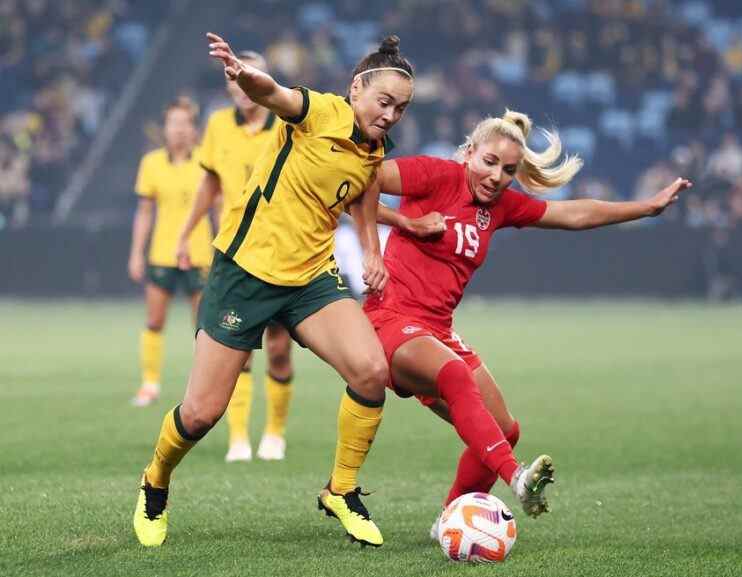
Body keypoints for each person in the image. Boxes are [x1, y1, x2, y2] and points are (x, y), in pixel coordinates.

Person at [133, 32, 415, 548]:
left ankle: (342, 490)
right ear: (357, 89)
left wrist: (373, 250)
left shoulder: (373, 148)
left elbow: (363, 194)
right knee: (201, 412)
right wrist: (243, 75)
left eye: (400, 107)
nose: (392, 114)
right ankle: (155, 482)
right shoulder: (322, 111)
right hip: (245, 271)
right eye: (384, 101)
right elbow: (275, 94)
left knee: (373, 372)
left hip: (310, 278)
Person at [365, 109, 692, 532]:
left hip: (437, 331)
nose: (497, 176)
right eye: (489, 162)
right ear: (468, 153)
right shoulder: (436, 175)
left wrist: (645, 208)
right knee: (455, 375)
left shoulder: (499, 207)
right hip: (390, 319)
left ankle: (449, 520)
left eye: (508, 170)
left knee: (504, 428)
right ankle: (516, 477)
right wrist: (405, 220)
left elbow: (572, 214)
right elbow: (362, 180)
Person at [176, 51, 293, 463]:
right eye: (233, 77)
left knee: (278, 348)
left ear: (262, 79)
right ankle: (239, 437)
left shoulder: (287, 123)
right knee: (234, 347)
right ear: (229, 85)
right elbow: (208, 185)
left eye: (248, 74)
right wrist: (186, 233)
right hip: (234, 255)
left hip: (281, 250)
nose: (241, 84)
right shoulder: (217, 127)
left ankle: (275, 432)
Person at [128, 97, 213, 407]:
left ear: (194, 128)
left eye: (185, 123)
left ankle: (199, 389)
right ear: (164, 128)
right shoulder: (151, 163)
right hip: (162, 252)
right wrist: (136, 253)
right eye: (173, 123)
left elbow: (219, 208)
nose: (178, 130)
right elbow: (144, 212)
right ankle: (150, 384)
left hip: (201, 252)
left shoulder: (206, 160)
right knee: (154, 320)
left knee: (203, 326)